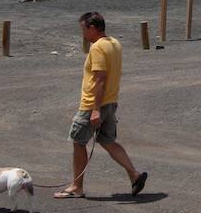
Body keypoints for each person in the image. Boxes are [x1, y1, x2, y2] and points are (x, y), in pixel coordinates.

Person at [53, 11, 148, 199]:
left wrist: (95, 109)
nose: (83, 34)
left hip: (93, 104)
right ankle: (134, 175)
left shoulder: (97, 48)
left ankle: (76, 187)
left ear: (92, 28)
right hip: (111, 102)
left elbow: (100, 79)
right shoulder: (114, 43)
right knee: (107, 141)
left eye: (84, 29)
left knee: (78, 142)